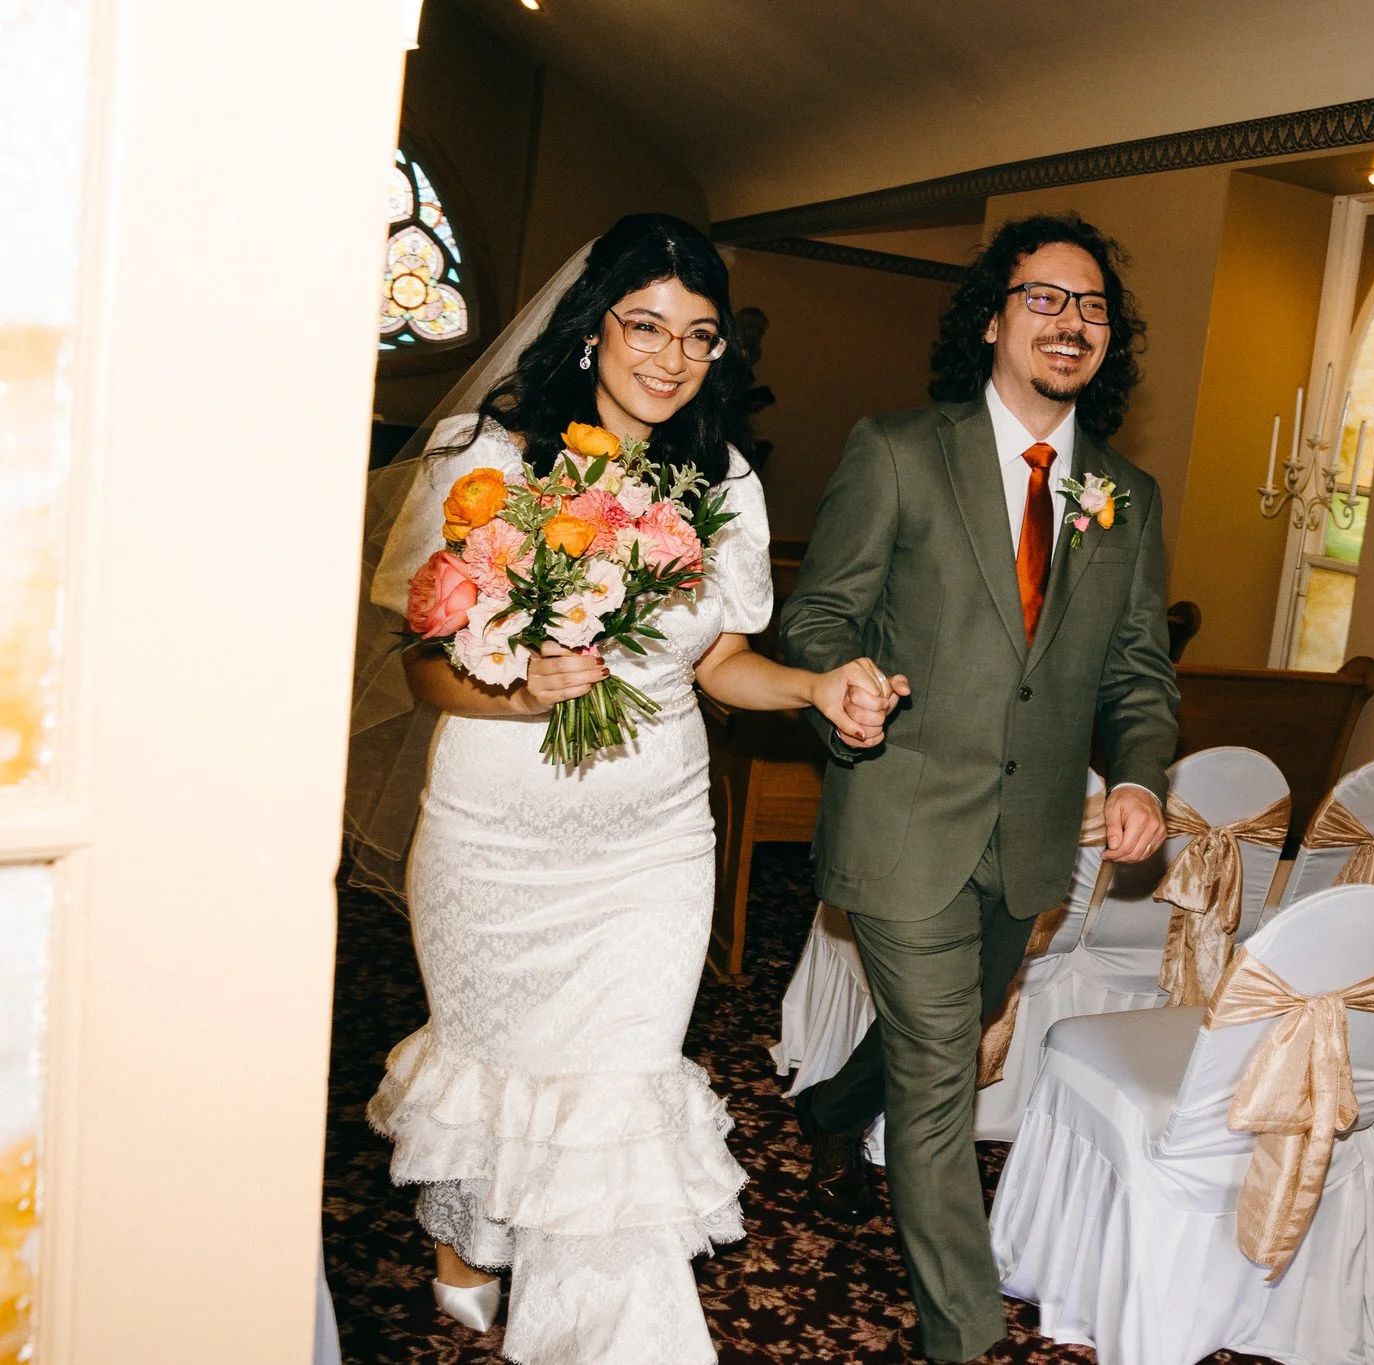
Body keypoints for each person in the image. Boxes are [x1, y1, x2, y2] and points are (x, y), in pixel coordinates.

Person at [355, 214, 896, 1364]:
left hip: (650, 840)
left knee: (617, 1083)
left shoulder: (725, 480)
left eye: (699, 336)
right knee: (493, 1064)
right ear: (590, 326)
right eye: (645, 324)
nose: (670, 355)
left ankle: (598, 1337)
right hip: (495, 834)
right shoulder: (489, 458)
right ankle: (468, 1243)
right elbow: (419, 665)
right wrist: (522, 690)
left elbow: (714, 663)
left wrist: (808, 684)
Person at [780, 212, 1180, 1362]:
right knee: (939, 1073)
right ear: (993, 319)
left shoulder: (1125, 495)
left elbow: (1136, 668)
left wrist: (1142, 775)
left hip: (1032, 838)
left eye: (1092, 306)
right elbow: (819, 611)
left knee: (938, 1043)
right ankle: (965, 1336)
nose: (1070, 322)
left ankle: (824, 1109)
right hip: (903, 812)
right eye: (1045, 299)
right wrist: (836, 677)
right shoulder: (901, 450)